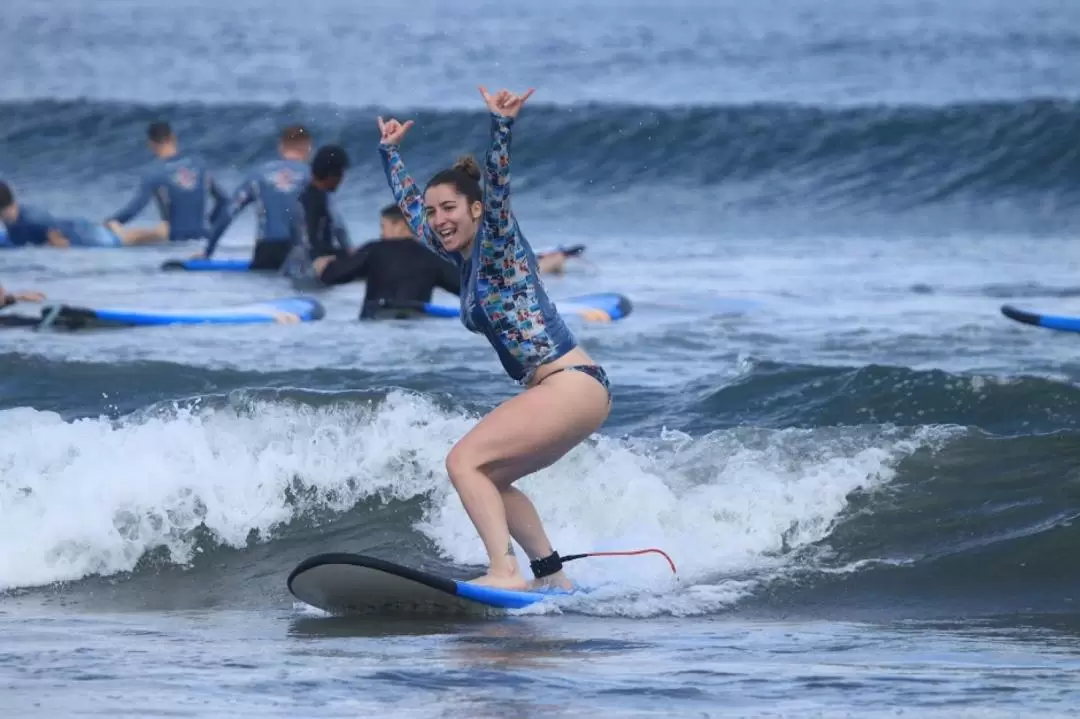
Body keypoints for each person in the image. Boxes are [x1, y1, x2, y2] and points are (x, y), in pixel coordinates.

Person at [376, 86, 611, 591]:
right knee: (492, 478)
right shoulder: (462, 258)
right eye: (433, 212)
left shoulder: (498, 239)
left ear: (477, 210)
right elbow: (412, 211)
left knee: (463, 462)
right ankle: (553, 576)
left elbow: (498, 184)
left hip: (569, 382)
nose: (439, 220)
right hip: (571, 388)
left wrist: (500, 125)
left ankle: (505, 570)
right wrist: (390, 153)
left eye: (450, 208)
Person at [197, 125, 313, 269]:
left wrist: (207, 252)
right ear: (308, 148)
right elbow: (332, 218)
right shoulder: (311, 176)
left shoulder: (258, 175)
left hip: (265, 252)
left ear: (280, 146)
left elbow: (229, 212)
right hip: (298, 254)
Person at [318, 204, 462, 318]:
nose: (381, 233)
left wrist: (326, 266)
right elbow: (465, 289)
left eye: (383, 227)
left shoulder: (374, 250)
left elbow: (332, 276)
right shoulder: (432, 256)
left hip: (377, 319)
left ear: (399, 225)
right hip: (416, 322)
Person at [105, 121, 228, 244]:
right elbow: (224, 201)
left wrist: (112, 221)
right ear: (173, 138)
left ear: (150, 144)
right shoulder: (200, 164)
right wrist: (211, 222)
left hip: (175, 241)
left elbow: (134, 209)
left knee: (135, 234)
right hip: (204, 237)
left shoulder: (155, 173)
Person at [283, 144, 354, 280]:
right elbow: (310, 242)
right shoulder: (314, 201)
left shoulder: (312, 195)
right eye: (341, 174)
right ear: (332, 175)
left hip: (297, 268)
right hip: (306, 271)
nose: (342, 180)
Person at [0, 181, 125, 247]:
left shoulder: (33, 220)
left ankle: (113, 227)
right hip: (72, 226)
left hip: (82, 233)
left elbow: (62, 245)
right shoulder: (11, 218)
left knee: (120, 241)